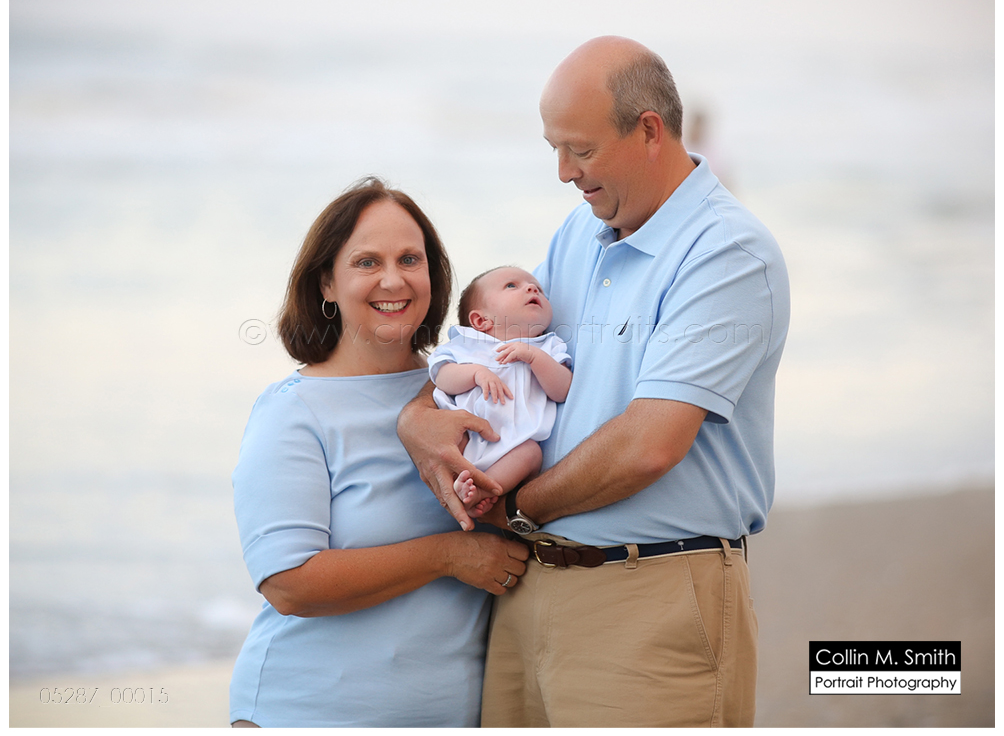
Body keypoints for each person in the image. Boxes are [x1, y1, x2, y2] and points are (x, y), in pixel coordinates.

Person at [397, 37, 790, 727]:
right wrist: (418, 418)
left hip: (653, 596)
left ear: (647, 130)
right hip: (528, 588)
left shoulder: (727, 252)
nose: (561, 171)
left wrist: (515, 509)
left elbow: (650, 444)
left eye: (578, 149)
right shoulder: (578, 236)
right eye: (554, 147)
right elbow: (494, 352)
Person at [229, 178, 528, 728]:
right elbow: (288, 582)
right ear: (327, 282)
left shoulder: (473, 386)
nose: (394, 280)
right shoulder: (293, 412)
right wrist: (448, 556)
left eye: (410, 259)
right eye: (367, 262)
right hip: (307, 711)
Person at [429, 266, 572, 517]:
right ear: (480, 320)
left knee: (531, 453)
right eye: (511, 286)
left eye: (538, 288)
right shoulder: (465, 345)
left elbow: (562, 391)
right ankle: (461, 485)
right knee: (443, 445)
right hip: (465, 437)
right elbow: (442, 378)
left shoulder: (548, 345)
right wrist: (475, 373)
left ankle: (484, 490)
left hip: (513, 445)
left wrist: (534, 358)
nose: (532, 288)